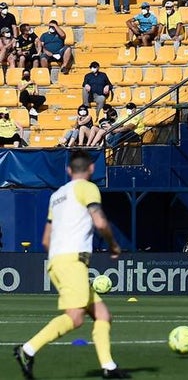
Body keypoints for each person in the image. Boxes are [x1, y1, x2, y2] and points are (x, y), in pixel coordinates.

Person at [14, 150, 129, 379]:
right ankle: (27, 349)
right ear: (91, 168)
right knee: (75, 317)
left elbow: (46, 239)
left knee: (103, 315)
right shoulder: (88, 188)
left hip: (57, 260)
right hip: (73, 261)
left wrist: (60, 257)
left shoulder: (57, 195)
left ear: (68, 170)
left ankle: (109, 367)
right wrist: (114, 245)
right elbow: (100, 222)